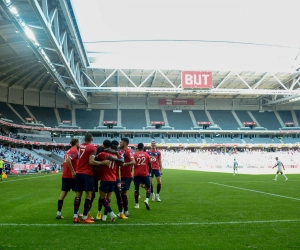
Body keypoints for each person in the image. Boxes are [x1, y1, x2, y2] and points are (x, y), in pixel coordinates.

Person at [73, 134, 111, 224]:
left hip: (78, 172)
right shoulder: (92, 148)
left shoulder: (80, 146)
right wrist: (103, 162)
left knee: (78, 195)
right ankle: (85, 217)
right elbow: (91, 161)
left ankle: (75, 216)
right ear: (92, 139)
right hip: (87, 173)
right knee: (89, 195)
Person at [96, 140, 124, 222]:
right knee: (108, 198)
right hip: (113, 179)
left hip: (105, 178)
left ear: (104, 145)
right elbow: (122, 161)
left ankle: (111, 213)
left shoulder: (103, 154)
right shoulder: (115, 155)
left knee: (102, 198)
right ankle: (104, 216)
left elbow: (93, 159)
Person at [56, 138, 79, 219]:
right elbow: (69, 160)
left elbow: (64, 162)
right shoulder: (74, 151)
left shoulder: (67, 151)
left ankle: (58, 213)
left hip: (65, 175)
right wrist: (73, 171)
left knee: (63, 194)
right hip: (71, 176)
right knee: (78, 194)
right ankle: (76, 213)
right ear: (76, 143)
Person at [119, 138, 135, 217]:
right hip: (120, 175)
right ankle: (122, 211)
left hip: (126, 175)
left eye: (121, 142)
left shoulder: (128, 151)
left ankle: (125, 211)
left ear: (125, 143)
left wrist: (124, 164)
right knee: (121, 194)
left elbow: (133, 162)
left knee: (123, 194)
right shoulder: (121, 151)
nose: (120, 143)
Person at [133, 143, 152, 210]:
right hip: (145, 174)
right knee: (148, 188)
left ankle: (137, 205)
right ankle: (146, 200)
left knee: (136, 189)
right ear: (143, 147)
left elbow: (132, 164)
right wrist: (149, 173)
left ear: (137, 147)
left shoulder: (134, 155)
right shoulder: (146, 154)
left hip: (137, 174)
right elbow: (150, 165)